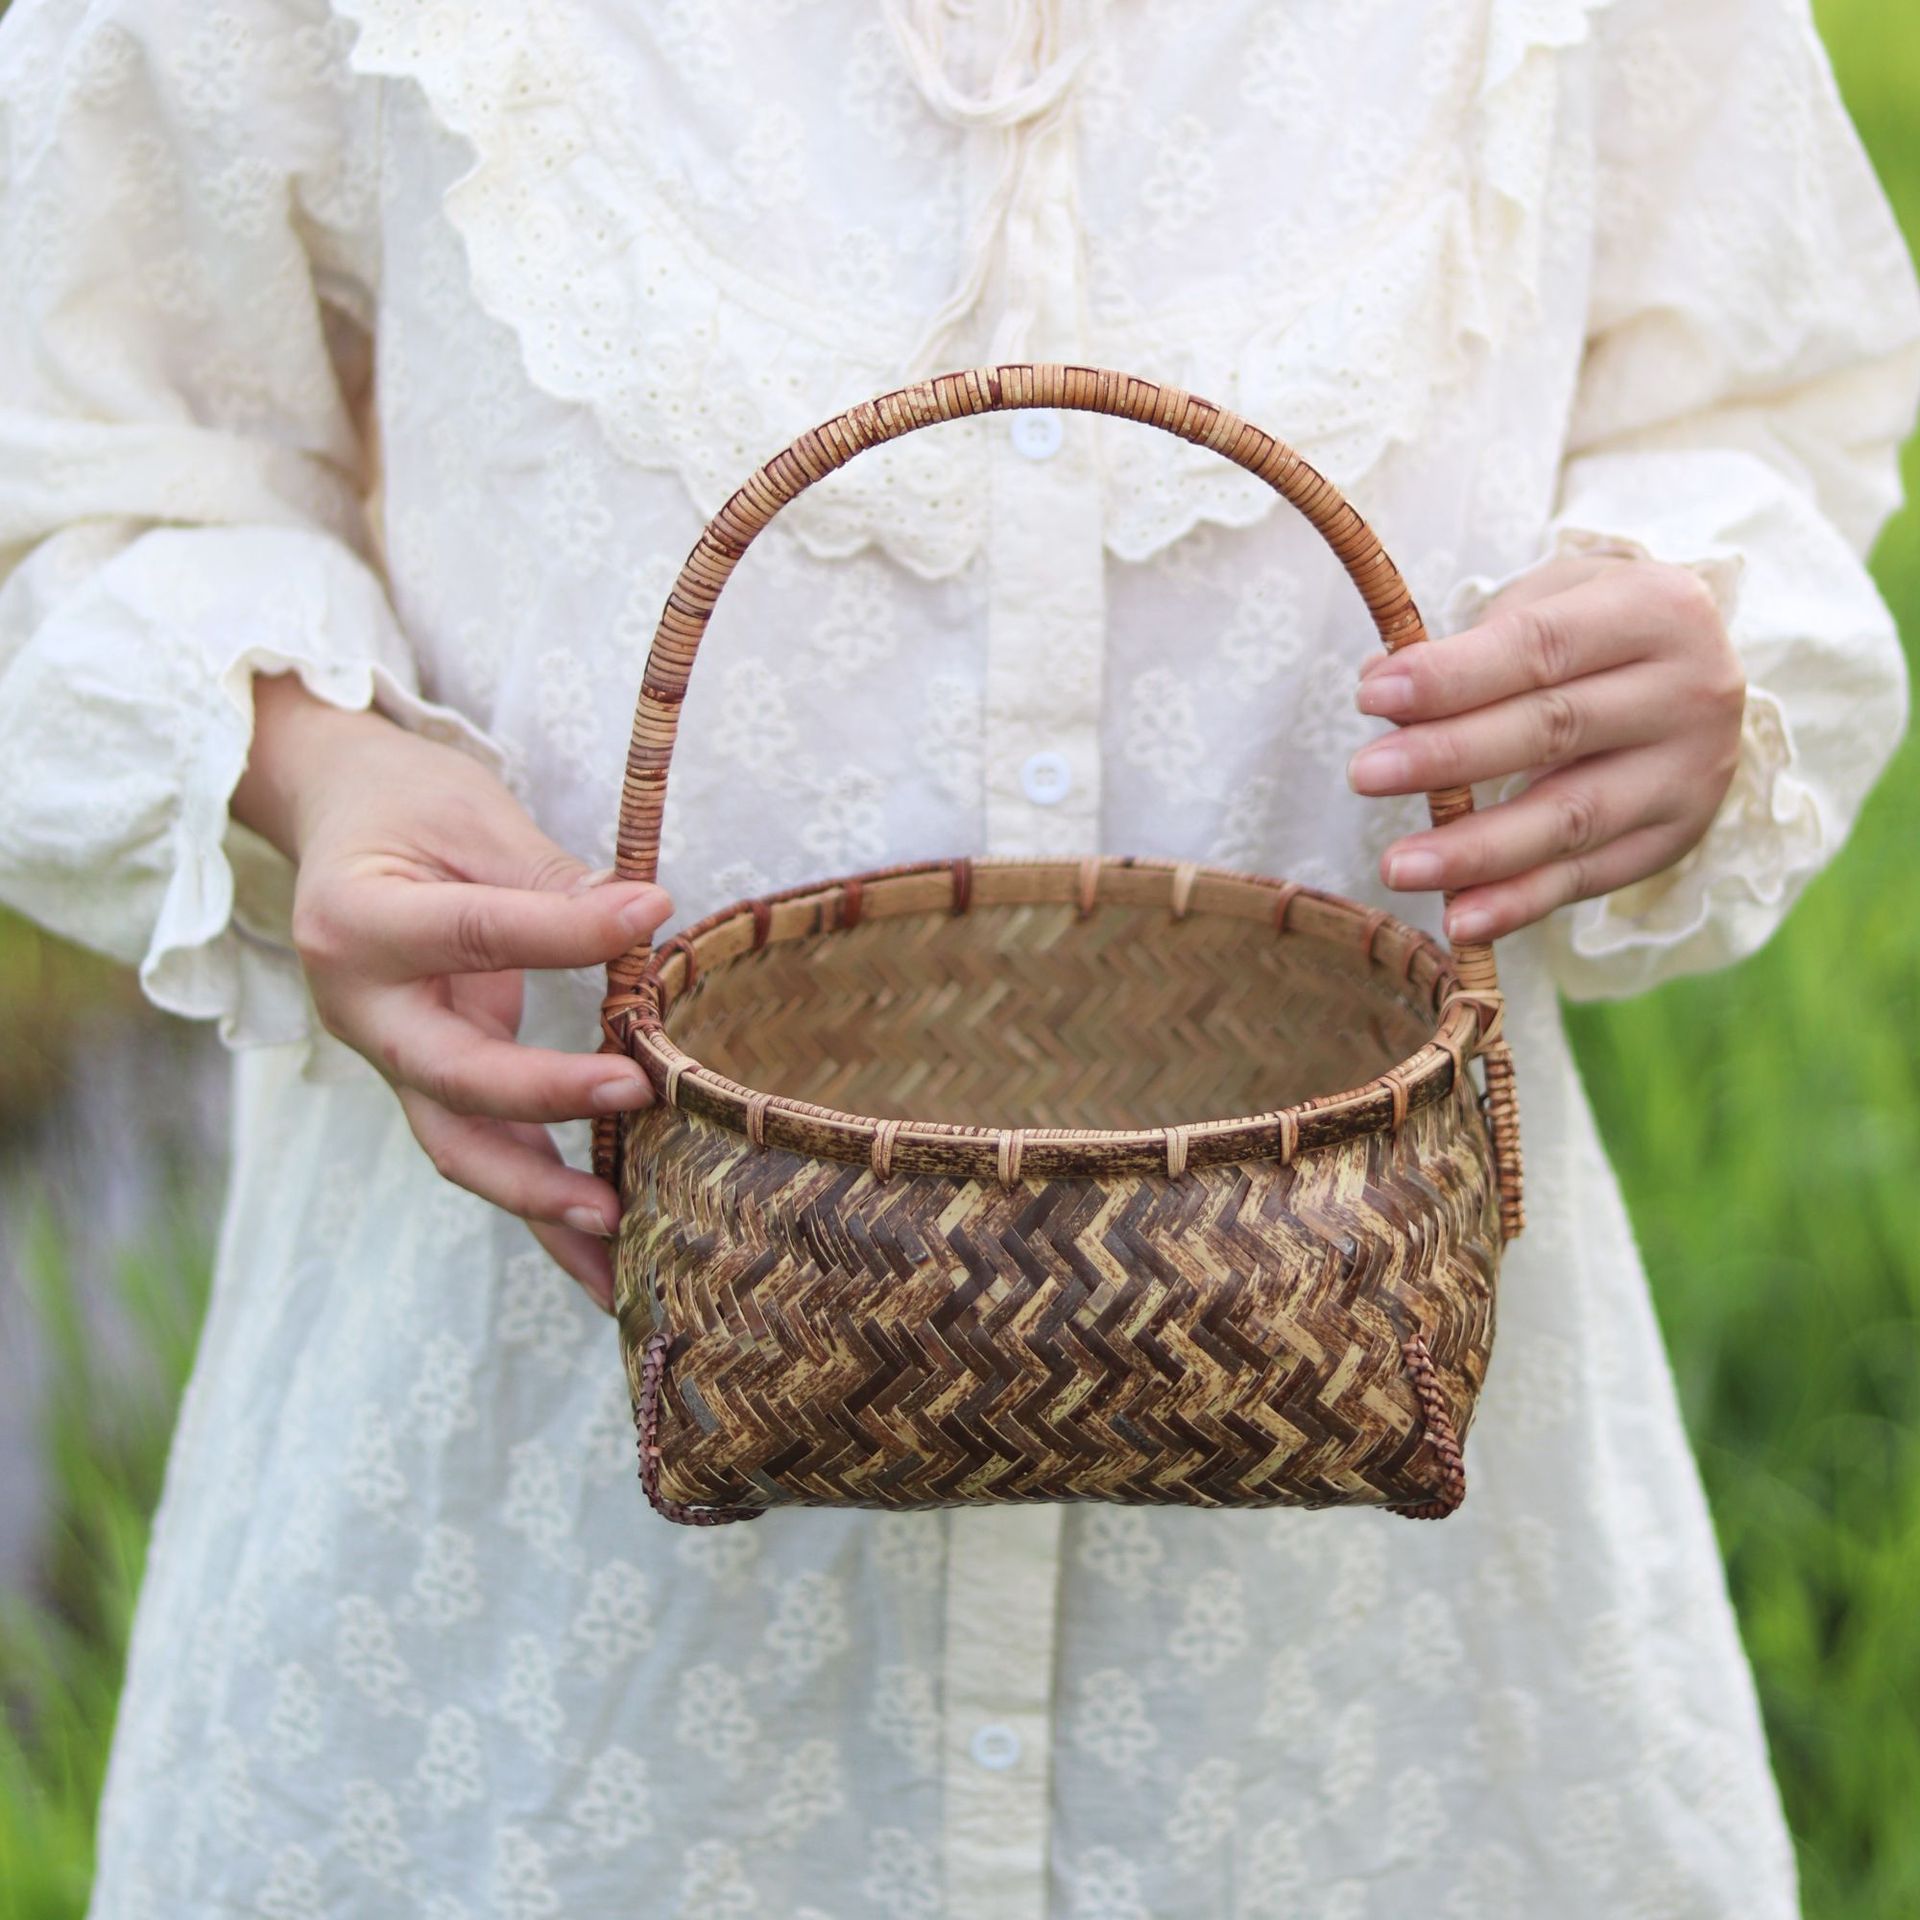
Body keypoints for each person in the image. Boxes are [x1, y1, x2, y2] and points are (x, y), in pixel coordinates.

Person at [2, 0, 1916, 1912]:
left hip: (1350, 1601)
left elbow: (1764, 399)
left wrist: (1681, 628)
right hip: (550, 1564)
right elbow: (81, 460)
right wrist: (316, 765)